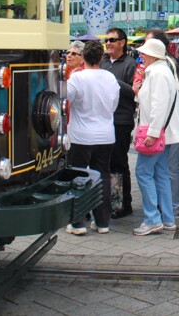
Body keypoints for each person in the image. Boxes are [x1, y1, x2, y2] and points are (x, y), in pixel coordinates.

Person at [64, 40, 120, 236]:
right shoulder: (110, 78)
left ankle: (78, 222)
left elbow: (66, 101)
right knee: (103, 176)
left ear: (83, 57)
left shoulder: (77, 79)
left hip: (80, 135)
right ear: (101, 58)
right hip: (105, 134)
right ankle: (102, 221)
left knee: (78, 176)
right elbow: (113, 105)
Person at [131, 38, 179, 236]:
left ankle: (152, 219)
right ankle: (168, 219)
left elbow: (158, 106)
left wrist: (152, 133)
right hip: (166, 134)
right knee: (161, 173)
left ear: (152, 55)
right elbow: (156, 102)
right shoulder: (161, 72)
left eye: (144, 53)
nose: (141, 56)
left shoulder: (157, 73)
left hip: (157, 133)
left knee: (143, 172)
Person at [145, 28, 179, 219]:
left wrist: (154, 130)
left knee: (164, 171)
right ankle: (167, 211)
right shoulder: (156, 67)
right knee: (162, 171)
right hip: (163, 127)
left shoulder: (166, 65)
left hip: (165, 129)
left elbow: (173, 95)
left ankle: (171, 208)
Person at [101, 28, 137, 219]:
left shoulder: (130, 64)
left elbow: (135, 92)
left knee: (119, 163)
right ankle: (108, 202)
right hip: (102, 120)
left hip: (121, 121)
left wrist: (114, 82)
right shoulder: (102, 62)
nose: (108, 43)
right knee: (105, 164)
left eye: (112, 40)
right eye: (107, 40)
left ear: (122, 42)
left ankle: (123, 204)